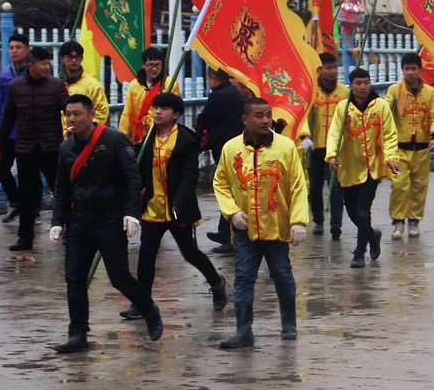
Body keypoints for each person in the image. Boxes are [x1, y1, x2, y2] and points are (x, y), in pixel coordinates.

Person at [49, 94, 163, 353]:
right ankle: (77, 333)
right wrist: (57, 221)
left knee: (119, 277)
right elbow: (62, 186)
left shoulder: (113, 140)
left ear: (91, 115)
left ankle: (149, 310)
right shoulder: (66, 148)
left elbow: (133, 178)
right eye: (68, 114)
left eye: (77, 114)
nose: (72, 119)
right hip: (79, 222)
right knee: (74, 278)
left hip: (110, 219)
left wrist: (132, 213)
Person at [213, 97, 309, 349]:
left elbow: (298, 187)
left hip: (277, 225)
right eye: (259, 115)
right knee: (243, 277)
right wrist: (231, 213)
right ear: (245, 119)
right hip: (245, 227)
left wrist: (298, 221)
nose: (266, 120)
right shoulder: (231, 149)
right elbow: (220, 182)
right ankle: (243, 331)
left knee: (282, 274)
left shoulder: (286, 147)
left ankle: (289, 325)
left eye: (268, 114)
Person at [122, 92, 228, 320]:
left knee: (189, 252)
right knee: (146, 254)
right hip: (152, 207)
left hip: (177, 209)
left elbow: (189, 177)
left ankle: (217, 282)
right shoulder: (147, 139)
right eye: (156, 107)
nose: (158, 112)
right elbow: (138, 173)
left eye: (164, 108)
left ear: (177, 114)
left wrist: (180, 202)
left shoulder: (186, 142)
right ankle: (143, 303)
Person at [325, 68, 401, 269]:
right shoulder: (343, 108)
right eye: (358, 83)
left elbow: (390, 135)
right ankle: (371, 235)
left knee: (363, 209)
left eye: (366, 82)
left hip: (372, 167)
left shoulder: (381, 106)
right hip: (349, 167)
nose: (362, 87)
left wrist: (391, 158)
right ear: (350, 85)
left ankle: (359, 252)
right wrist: (332, 155)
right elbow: (334, 134)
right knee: (351, 211)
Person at [0, 46, 67, 252]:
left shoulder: (56, 86)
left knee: (61, 190)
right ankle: (25, 238)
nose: (47, 67)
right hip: (25, 148)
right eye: (43, 63)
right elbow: (8, 119)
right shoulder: (16, 87)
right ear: (31, 65)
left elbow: (68, 110)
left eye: (48, 63)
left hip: (51, 147)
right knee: (27, 195)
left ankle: (72, 231)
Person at [385, 52, 434, 240]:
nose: (410, 72)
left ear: (420, 70)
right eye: (406, 69)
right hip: (399, 148)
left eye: (413, 68)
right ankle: (398, 221)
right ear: (402, 70)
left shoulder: (430, 93)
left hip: (422, 149)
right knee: (400, 185)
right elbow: (385, 113)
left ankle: (414, 220)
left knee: (419, 186)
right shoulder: (394, 91)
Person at [195, 68, 245, 253]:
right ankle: (223, 231)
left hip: (226, 147)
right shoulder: (231, 92)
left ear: (212, 78)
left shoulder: (219, 95)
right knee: (228, 188)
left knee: (228, 191)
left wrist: (198, 128)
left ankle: (230, 237)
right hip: (230, 145)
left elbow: (203, 120)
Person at [301, 52, 349, 238]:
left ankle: (336, 223)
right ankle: (319, 220)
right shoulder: (311, 92)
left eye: (334, 67)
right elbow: (304, 115)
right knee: (314, 187)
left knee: (335, 186)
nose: (332, 72)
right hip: (316, 147)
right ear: (319, 70)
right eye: (328, 68)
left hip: (336, 149)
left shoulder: (345, 93)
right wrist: (305, 135)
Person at [118, 47, 181, 150]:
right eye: (151, 65)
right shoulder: (134, 85)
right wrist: (124, 134)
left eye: (157, 65)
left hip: (161, 135)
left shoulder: (169, 84)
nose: (154, 69)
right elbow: (128, 111)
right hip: (138, 136)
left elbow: (174, 110)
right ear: (144, 65)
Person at [0, 33, 28, 223]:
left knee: (27, 172)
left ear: (26, 49)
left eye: (18, 47)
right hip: (8, 131)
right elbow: (1, 103)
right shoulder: (5, 73)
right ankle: (16, 202)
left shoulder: (34, 71)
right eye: (11, 48)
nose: (14, 51)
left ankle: (32, 209)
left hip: (28, 131)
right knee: (1, 167)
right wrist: (0, 126)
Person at [57, 41, 109, 127]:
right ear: (62, 58)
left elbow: (102, 112)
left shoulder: (93, 85)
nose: (74, 60)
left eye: (77, 57)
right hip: (58, 136)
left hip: (84, 137)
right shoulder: (56, 85)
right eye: (70, 57)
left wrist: (85, 129)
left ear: (82, 58)